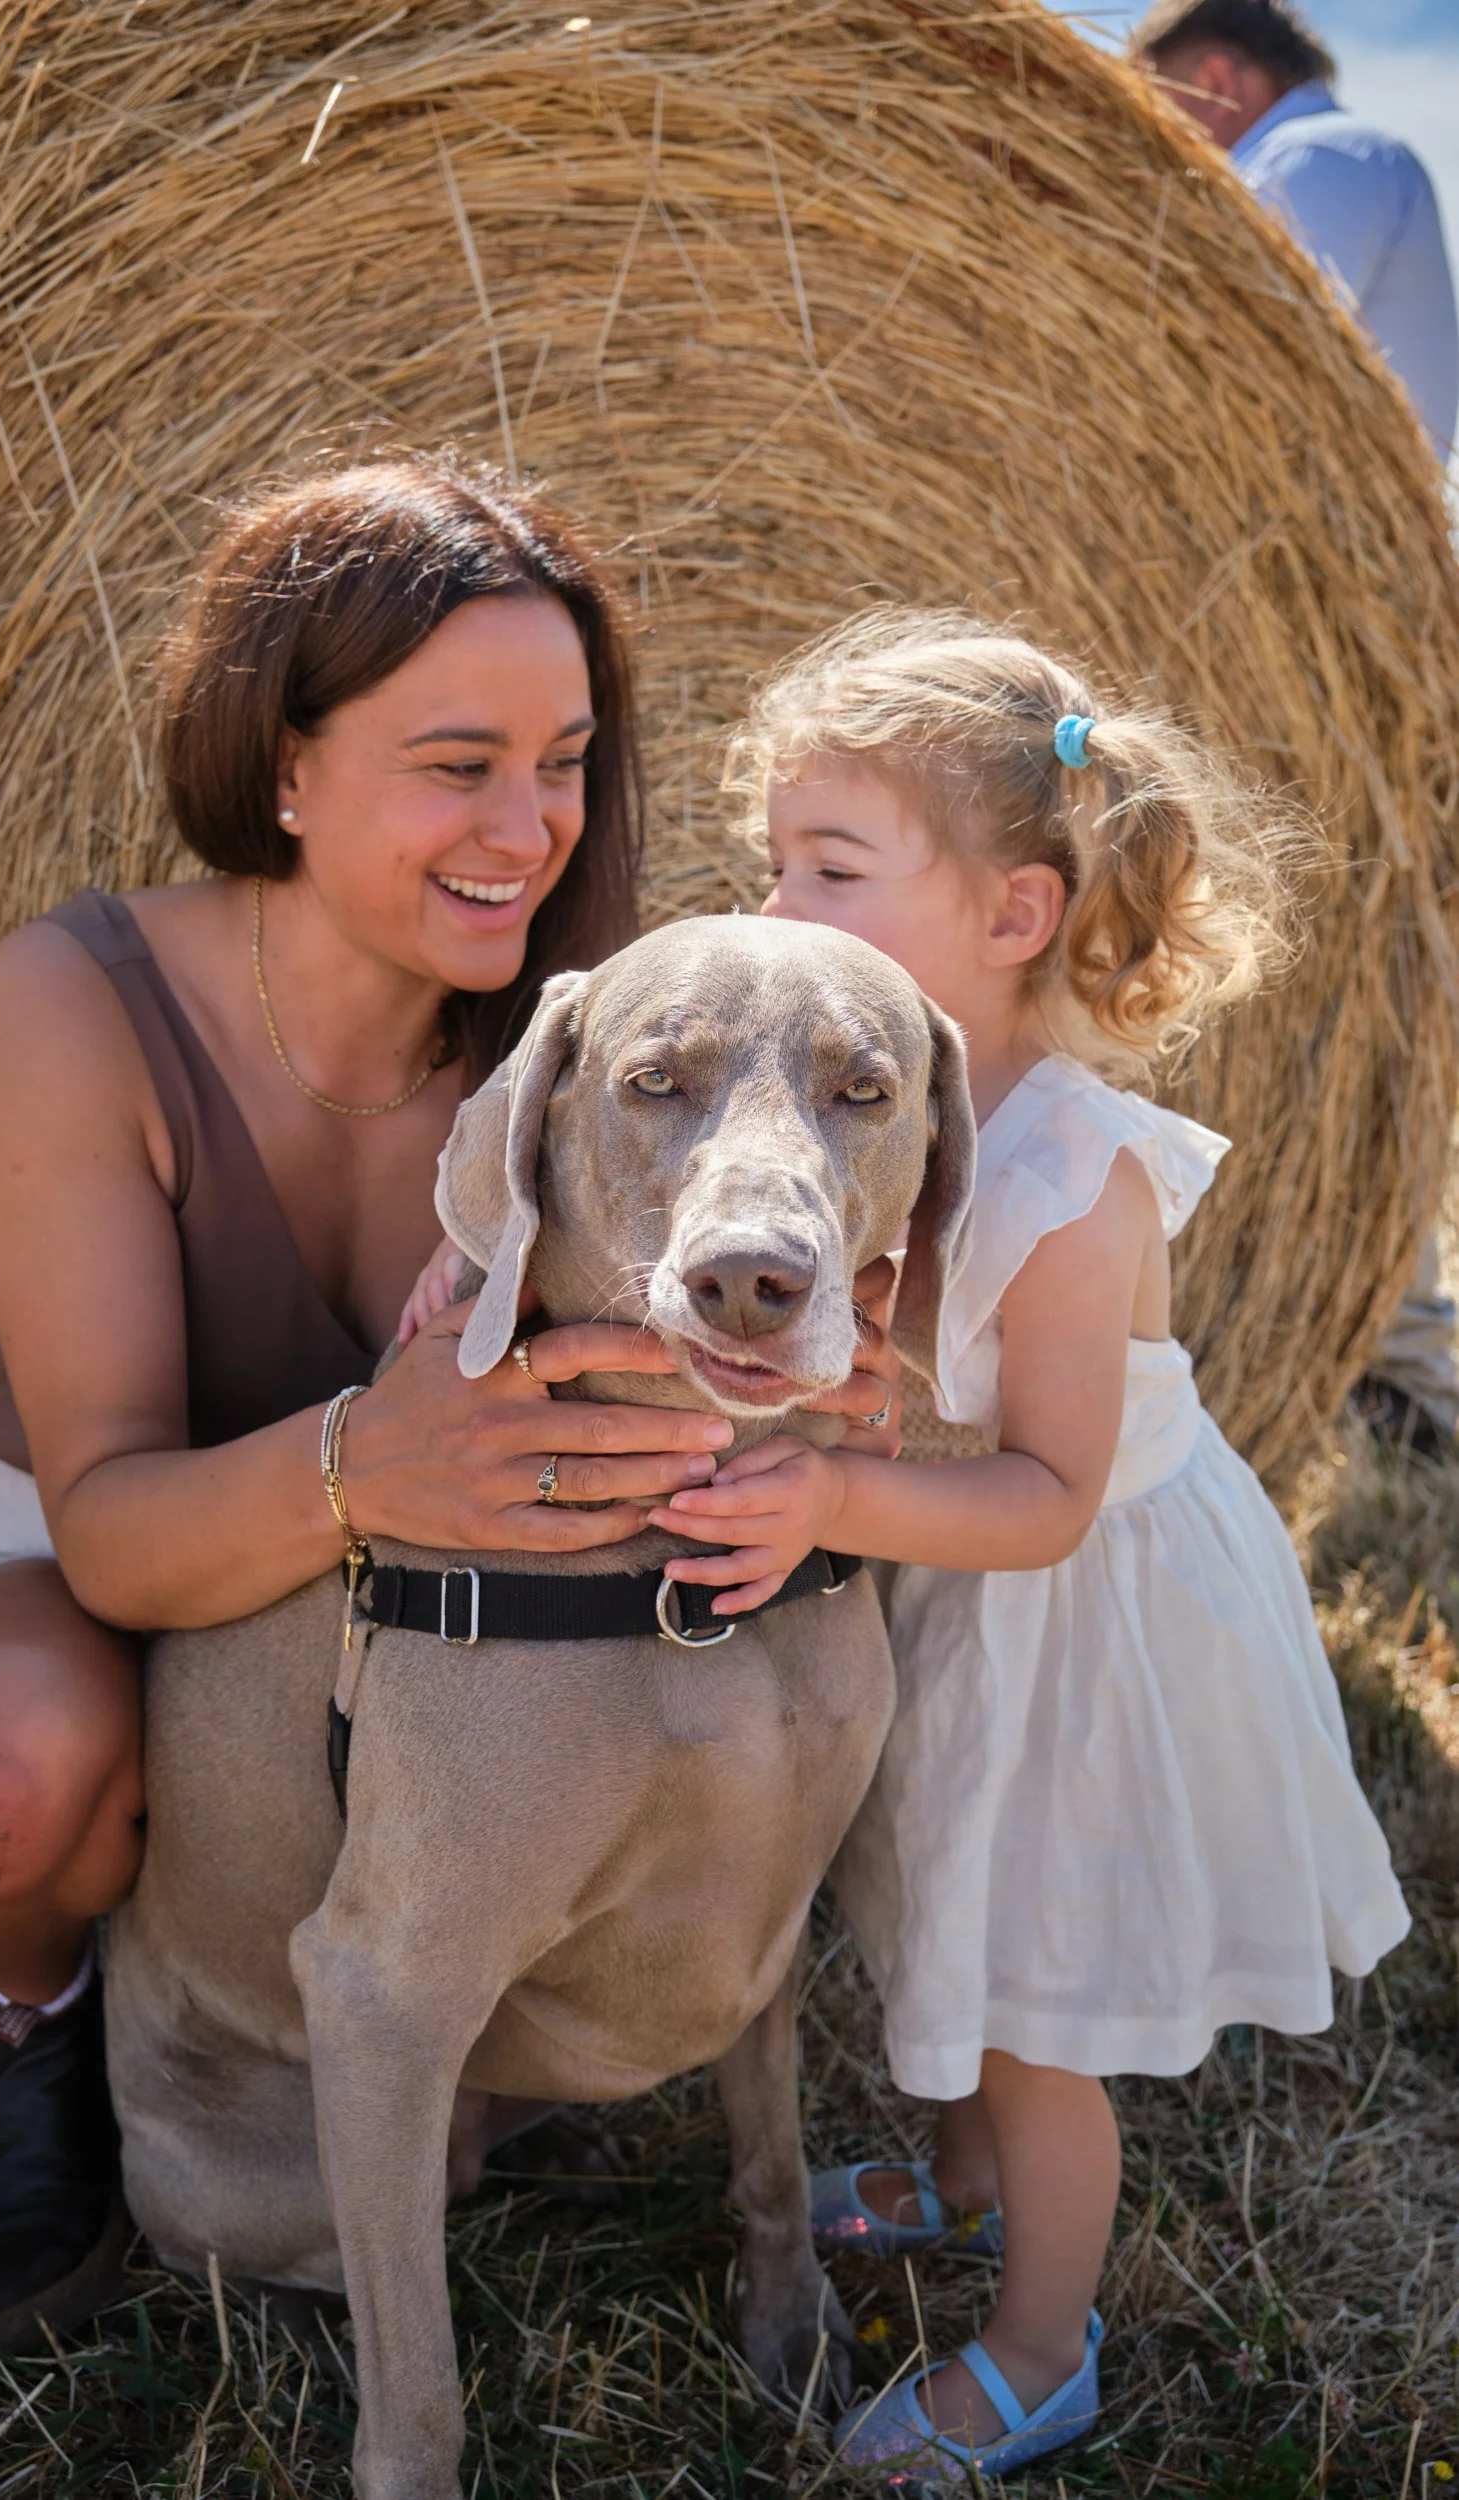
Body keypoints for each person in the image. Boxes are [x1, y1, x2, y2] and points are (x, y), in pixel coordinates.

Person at [0, 456, 900, 2326]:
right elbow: (108, 1519)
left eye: (566, 759)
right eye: (457, 764)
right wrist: (361, 1463)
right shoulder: (80, 999)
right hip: (126, 1541)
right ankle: (51, 2026)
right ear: (283, 761)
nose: (529, 825)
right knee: (5, 1783)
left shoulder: (599, 1027)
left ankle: (474, 2013)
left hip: (429, 1602)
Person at [630, 610, 1410, 2485]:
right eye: (774, 861)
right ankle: (959, 2173)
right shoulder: (885, 1114)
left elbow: (1052, 1490)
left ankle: (1038, 2343)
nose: (780, 902)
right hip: (976, 1590)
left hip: (1090, 1622)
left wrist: (821, 1494)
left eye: (832, 867)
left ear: (1013, 914)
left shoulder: (1068, 1172)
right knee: (942, 1904)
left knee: (1040, 1997)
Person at [1133, 0, 1459, 1457]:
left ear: (1213, 82)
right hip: (1310, 637)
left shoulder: (1336, 150)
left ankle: (1400, 1360)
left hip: (1355, 655)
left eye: (1157, 124)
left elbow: (1212, 331)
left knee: (1362, 987)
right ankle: (1386, 1347)